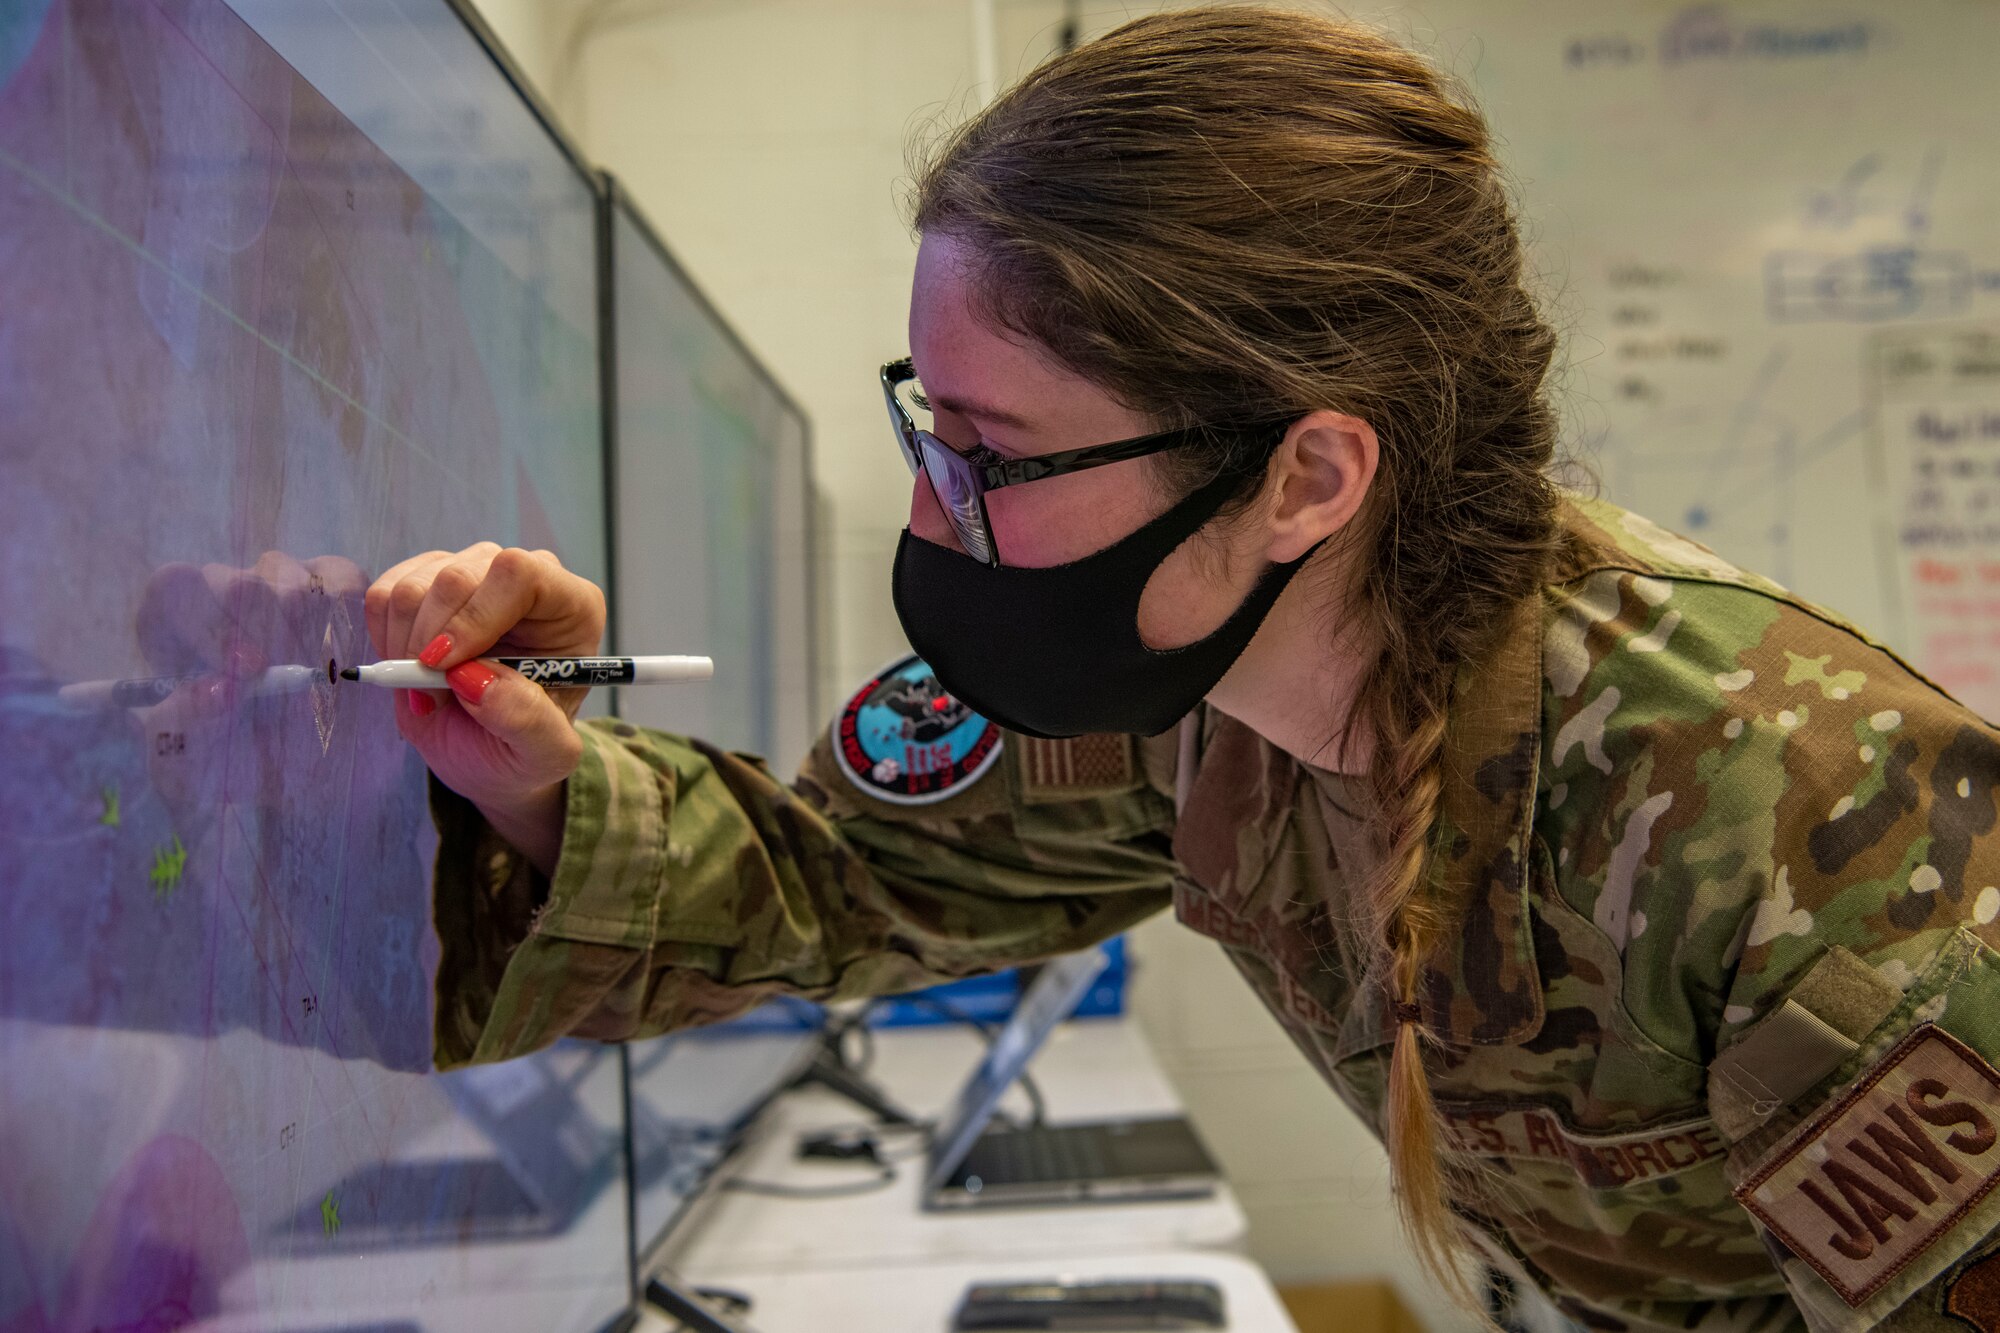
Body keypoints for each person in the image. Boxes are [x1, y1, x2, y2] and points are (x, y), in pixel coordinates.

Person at [366, 9, 2000, 1331]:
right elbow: (835, 884)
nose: (939, 507)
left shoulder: (1811, 825)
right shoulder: (1194, 696)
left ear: (1305, 479)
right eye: (927, 426)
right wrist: (540, 770)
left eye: (992, 452)